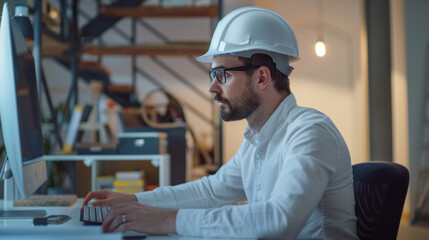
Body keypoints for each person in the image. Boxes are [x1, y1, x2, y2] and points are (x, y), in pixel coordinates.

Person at [83, 6, 358, 239]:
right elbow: (213, 190)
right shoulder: (257, 139)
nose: (212, 88)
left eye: (221, 74)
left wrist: (166, 221)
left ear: (262, 77)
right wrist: (136, 201)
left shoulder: (310, 131)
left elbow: (280, 218)